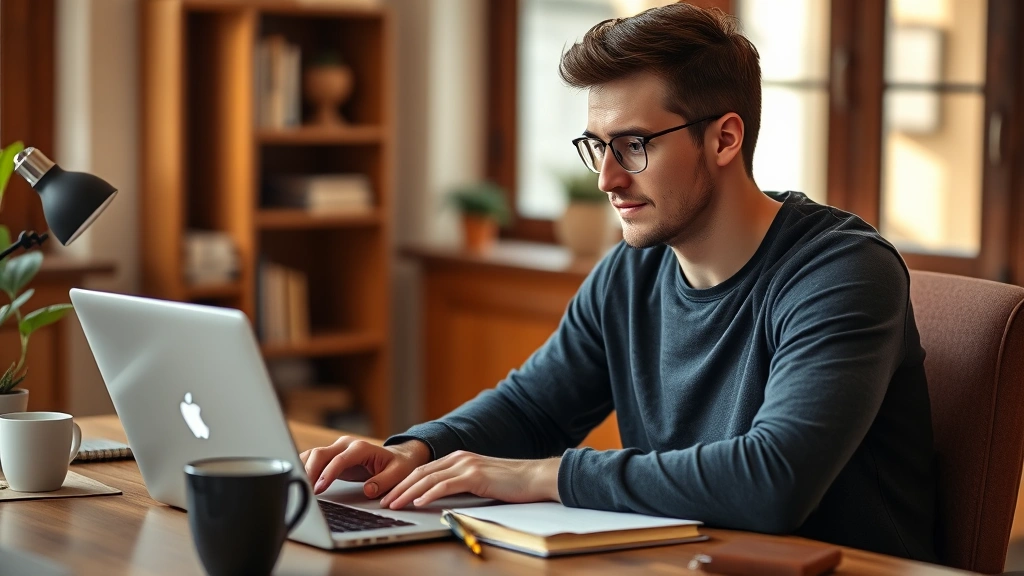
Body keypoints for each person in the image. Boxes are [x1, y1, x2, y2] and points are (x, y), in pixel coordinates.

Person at [301, 3, 937, 562]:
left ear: (724, 138)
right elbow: (532, 407)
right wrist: (419, 448)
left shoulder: (842, 272)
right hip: (699, 561)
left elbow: (774, 481)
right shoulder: (631, 271)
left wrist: (541, 477)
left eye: (633, 145)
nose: (606, 179)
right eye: (596, 145)